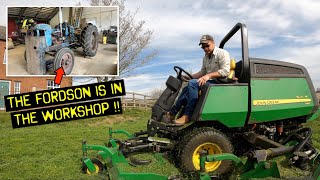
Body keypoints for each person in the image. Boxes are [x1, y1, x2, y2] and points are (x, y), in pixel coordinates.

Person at [166, 34, 231, 125]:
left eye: (207, 45)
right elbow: (202, 72)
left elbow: (225, 71)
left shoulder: (222, 53)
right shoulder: (205, 58)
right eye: (203, 47)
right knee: (187, 88)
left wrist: (208, 76)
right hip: (210, 81)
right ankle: (172, 113)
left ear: (213, 43)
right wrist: (188, 77)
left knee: (192, 83)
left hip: (220, 82)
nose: (205, 48)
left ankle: (187, 116)